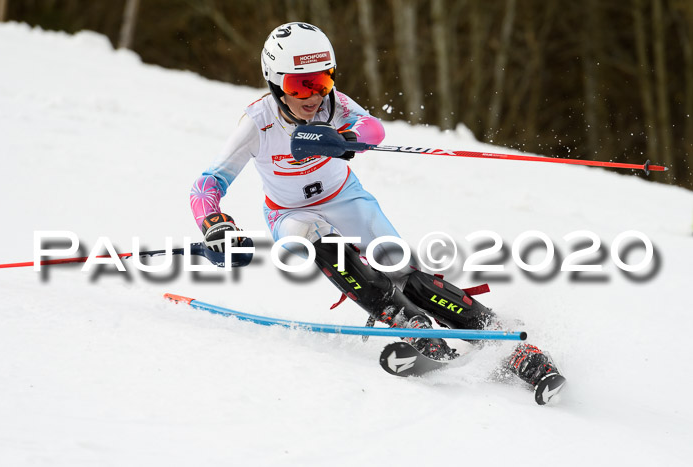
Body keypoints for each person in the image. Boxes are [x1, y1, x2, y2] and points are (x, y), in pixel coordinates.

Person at [190, 22, 565, 402]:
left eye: (321, 81)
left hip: (346, 198)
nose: (313, 96)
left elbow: (372, 128)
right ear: (274, 82)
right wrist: (216, 226)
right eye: (298, 85)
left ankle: (504, 339)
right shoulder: (258, 122)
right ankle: (408, 323)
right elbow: (207, 184)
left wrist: (345, 139)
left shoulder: (334, 104)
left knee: (401, 268)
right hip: (289, 213)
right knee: (312, 239)